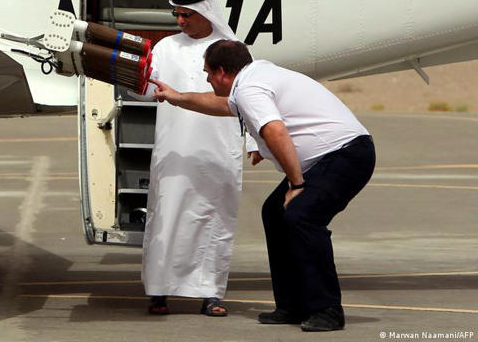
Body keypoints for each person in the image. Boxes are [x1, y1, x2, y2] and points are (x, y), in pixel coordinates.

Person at [150, 39, 376, 332]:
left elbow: (275, 131)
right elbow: (221, 104)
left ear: (221, 72)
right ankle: (292, 305)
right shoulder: (254, 77)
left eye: (207, 73)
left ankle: (327, 309)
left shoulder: (249, 88)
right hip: (330, 157)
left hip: (346, 155)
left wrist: (296, 185)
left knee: (302, 215)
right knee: (275, 213)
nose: (207, 79)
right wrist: (177, 96)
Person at [135, 0, 249, 317]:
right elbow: (146, 92)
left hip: (218, 149)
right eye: (178, 15)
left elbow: (251, 98)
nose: (181, 21)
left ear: (207, 14)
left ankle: (211, 293)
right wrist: (125, 76)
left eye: (188, 15)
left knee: (214, 219)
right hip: (174, 147)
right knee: (167, 216)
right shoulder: (165, 47)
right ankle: (159, 290)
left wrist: (256, 142)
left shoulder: (231, 51)